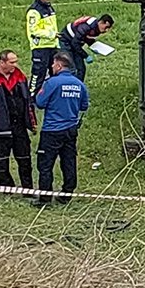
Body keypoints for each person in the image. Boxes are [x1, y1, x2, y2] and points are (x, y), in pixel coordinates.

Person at [32, 52, 89, 207]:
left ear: (59, 65)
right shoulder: (79, 84)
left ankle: (44, 199)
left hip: (52, 130)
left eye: (53, 64)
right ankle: (66, 195)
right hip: (70, 130)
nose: (51, 66)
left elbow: (40, 102)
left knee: (45, 165)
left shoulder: (52, 83)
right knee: (68, 162)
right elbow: (84, 106)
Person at [0, 50, 36, 193]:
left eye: (16, 61)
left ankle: (28, 189)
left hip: (19, 126)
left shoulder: (20, 77)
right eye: (12, 62)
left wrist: (32, 121)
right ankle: (7, 189)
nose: (15, 65)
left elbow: (28, 101)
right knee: (2, 162)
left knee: (25, 160)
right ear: (2, 62)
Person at [58, 14, 114, 82]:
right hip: (66, 40)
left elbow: (86, 37)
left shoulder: (96, 28)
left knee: (81, 69)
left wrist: (93, 46)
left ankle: (78, 87)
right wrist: (86, 56)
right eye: (106, 27)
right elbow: (75, 43)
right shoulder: (86, 26)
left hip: (75, 43)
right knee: (71, 67)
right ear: (101, 22)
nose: (106, 30)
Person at [26, 0, 59, 95]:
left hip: (52, 45)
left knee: (55, 72)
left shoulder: (49, 7)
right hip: (40, 47)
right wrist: (51, 34)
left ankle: (53, 95)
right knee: (38, 74)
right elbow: (33, 30)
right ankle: (31, 97)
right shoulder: (34, 11)